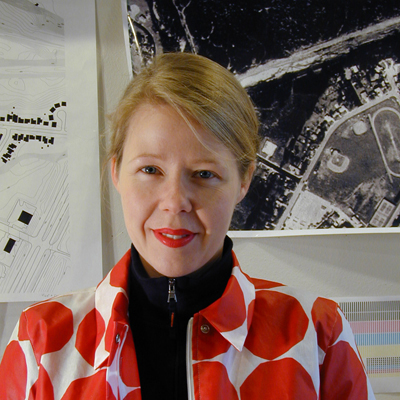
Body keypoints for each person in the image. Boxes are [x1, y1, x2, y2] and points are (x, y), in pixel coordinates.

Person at [0, 52, 375, 400]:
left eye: (204, 174)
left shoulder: (317, 335)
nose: (175, 201)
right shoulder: (41, 342)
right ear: (116, 172)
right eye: (150, 169)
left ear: (244, 180)